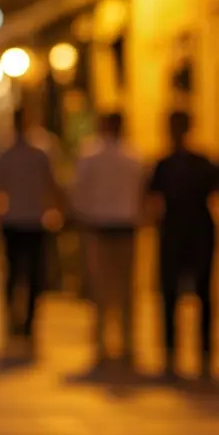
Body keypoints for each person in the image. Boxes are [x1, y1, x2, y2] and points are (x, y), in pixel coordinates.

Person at [147, 112, 219, 381]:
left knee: (200, 294)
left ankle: (202, 354)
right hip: (180, 232)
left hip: (192, 233)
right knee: (172, 294)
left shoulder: (194, 163)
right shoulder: (166, 164)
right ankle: (173, 352)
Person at [73, 111, 145, 370]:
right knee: (125, 289)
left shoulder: (91, 155)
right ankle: (125, 343)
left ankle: (104, 344)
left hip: (102, 227)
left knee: (102, 289)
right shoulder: (133, 155)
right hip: (123, 226)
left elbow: (79, 190)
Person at [0, 108, 60, 357]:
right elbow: (51, 184)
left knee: (19, 272)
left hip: (21, 219)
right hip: (28, 219)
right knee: (29, 273)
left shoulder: (11, 152)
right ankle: (24, 320)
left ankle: (18, 319)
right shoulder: (37, 151)